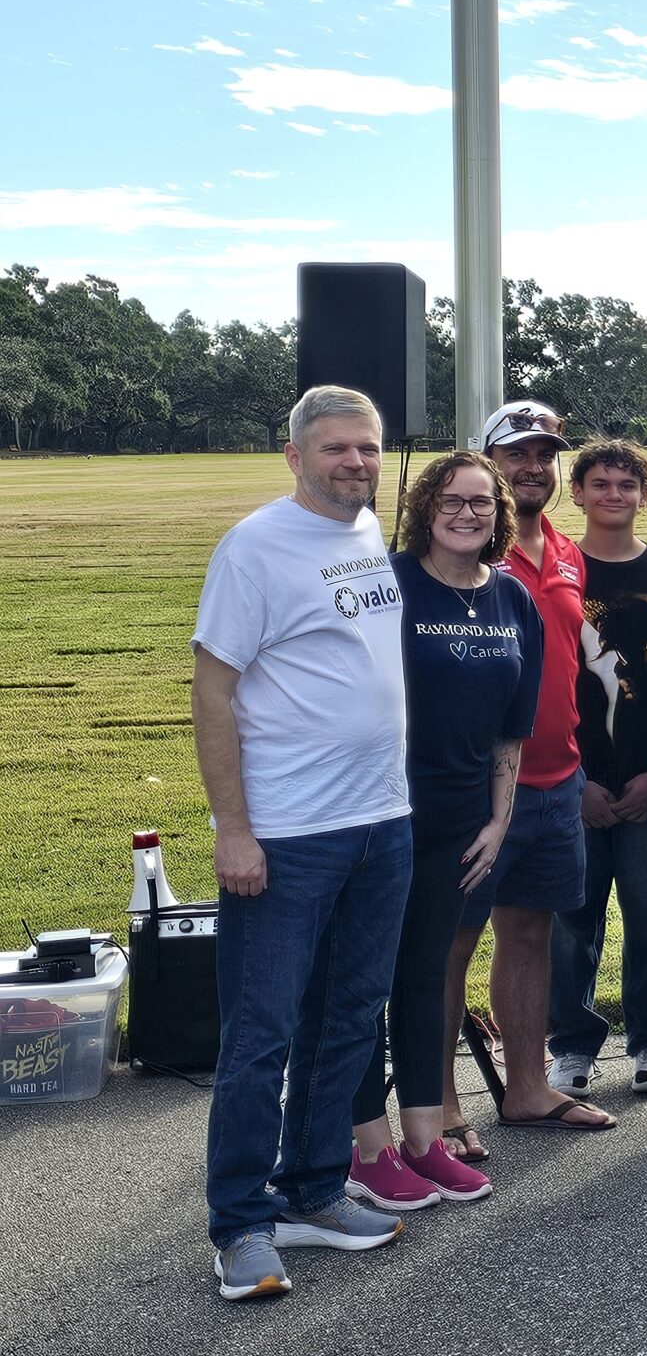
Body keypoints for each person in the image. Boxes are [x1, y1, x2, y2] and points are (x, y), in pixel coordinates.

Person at [191, 385, 414, 1301]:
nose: (356, 462)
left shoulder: (365, 533)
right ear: (294, 455)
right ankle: (241, 1225)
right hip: (288, 835)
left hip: (382, 821)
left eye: (367, 447)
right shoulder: (255, 547)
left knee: (350, 1018)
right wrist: (234, 830)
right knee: (262, 1034)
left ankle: (315, 1190)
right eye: (335, 448)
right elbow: (212, 692)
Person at [345, 451, 538, 1217]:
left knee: (425, 977)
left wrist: (499, 820)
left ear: (499, 515)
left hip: (462, 823)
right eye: (452, 500)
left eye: (481, 502)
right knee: (364, 982)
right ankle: (368, 1151)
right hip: (380, 812)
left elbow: (511, 732)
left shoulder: (512, 598)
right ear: (426, 508)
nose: (467, 513)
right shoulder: (388, 583)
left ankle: (425, 1140)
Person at [447, 402, 613, 1136]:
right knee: (449, 945)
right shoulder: (461, 552)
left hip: (556, 781)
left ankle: (526, 1088)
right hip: (474, 788)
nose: (532, 467)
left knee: (529, 934)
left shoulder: (569, 552)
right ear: (487, 463)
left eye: (545, 455)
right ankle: (439, 1107)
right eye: (516, 454)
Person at [547, 439, 647, 1103]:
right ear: (576, 492)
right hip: (571, 786)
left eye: (626, 485)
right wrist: (574, 782)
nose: (613, 495)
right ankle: (572, 1047)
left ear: (645, 495)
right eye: (600, 484)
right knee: (570, 922)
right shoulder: (557, 573)